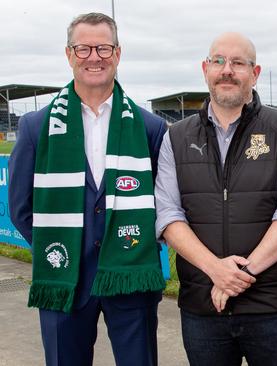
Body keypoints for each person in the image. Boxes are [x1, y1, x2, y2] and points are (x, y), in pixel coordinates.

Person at [8, 12, 167, 366]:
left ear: (118, 54)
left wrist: (133, 247)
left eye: (104, 48)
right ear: (69, 55)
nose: (94, 57)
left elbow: (164, 203)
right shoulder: (36, 128)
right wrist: (60, 249)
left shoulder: (150, 127)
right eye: (83, 49)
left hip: (131, 280)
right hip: (65, 281)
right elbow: (21, 208)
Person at [155, 32, 277, 366]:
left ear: (254, 73)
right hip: (203, 308)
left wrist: (236, 276)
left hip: (274, 309)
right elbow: (168, 215)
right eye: (218, 61)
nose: (227, 70)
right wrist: (215, 269)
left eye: (238, 62)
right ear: (205, 69)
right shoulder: (176, 136)